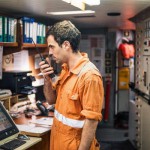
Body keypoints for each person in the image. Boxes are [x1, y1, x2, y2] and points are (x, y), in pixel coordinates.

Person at [39, 20, 104, 150]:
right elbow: (52, 100)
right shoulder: (65, 70)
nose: (50, 53)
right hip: (58, 142)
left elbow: (91, 121)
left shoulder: (89, 76)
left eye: (52, 47)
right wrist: (46, 78)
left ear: (66, 45)